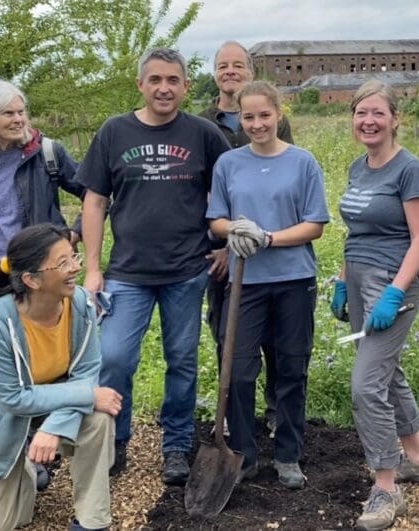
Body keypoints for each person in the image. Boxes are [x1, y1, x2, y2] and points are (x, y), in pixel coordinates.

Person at [77, 47, 231, 483]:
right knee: (115, 358)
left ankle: (177, 446)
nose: (164, 88)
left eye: (173, 80)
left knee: (181, 360)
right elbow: (95, 201)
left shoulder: (203, 134)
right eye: (156, 80)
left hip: (187, 270)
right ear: (141, 85)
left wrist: (226, 247)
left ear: (185, 86)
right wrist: (93, 267)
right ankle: (115, 439)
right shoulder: (114, 132)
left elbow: (230, 190)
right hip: (127, 272)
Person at [0, 224, 120, 531]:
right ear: (31, 279)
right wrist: (88, 395)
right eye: (63, 263)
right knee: (5, 522)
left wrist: (54, 427)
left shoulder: (80, 304)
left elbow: (86, 373)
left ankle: (92, 522)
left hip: (43, 403)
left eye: (74, 257)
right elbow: (13, 397)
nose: (76, 268)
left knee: (99, 419)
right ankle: (21, 468)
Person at [207, 80, 328, 489]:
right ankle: (243, 453)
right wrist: (234, 228)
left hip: (293, 278)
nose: (257, 124)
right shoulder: (229, 164)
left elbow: (315, 225)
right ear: (239, 118)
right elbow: (216, 219)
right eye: (249, 117)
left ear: (279, 114)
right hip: (246, 282)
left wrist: (269, 238)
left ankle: (288, 455)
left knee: (291, 369)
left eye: (264, 115)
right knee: (238, 370)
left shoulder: (303, 162)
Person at [331, 80, 419, 531]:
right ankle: (416, 458)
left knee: (365, 385)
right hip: (357, 278)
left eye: (377, 113)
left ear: (395, 119)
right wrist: (340, 281)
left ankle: (387, 487)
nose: (368, 121)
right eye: (360, 113)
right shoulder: (359, 166)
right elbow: (356, 231)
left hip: (393, 285)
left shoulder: (410, 170)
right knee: (385, 371)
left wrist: (395, 292)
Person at [198, 40, 295, 437]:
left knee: (273, 335)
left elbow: (281, 180)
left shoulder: (274, 121)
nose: (230, 71)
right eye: (223, 65)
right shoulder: (202, 122)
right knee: (228, 332)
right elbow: (205, 189)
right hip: (222, 248)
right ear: (215, 72)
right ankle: (235, 414)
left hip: (269, 246)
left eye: (238, 65)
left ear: (250, 71)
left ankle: (274, 409)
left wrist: (262, 237)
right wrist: (223, 245)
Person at [0, 78, 86, 353]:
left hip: (40, 270)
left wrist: (74, 233)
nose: (18, 119)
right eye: (8, 113)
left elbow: (95, 195)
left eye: (21, 112)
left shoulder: (48, 153)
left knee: (40, 349)